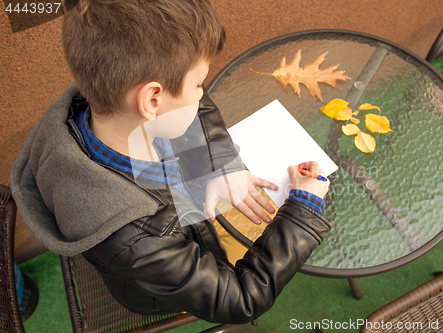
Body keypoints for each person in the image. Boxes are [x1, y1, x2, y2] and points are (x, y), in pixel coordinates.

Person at [10, 0, 332, 324]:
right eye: (197, 84)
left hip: (178, 225)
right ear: (152, 100)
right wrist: (303, 207)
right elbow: (241, 299)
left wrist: (219, 159)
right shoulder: (140, 240)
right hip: (160, 290)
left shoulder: (105, 94)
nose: (201, 92)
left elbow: (192, 108)